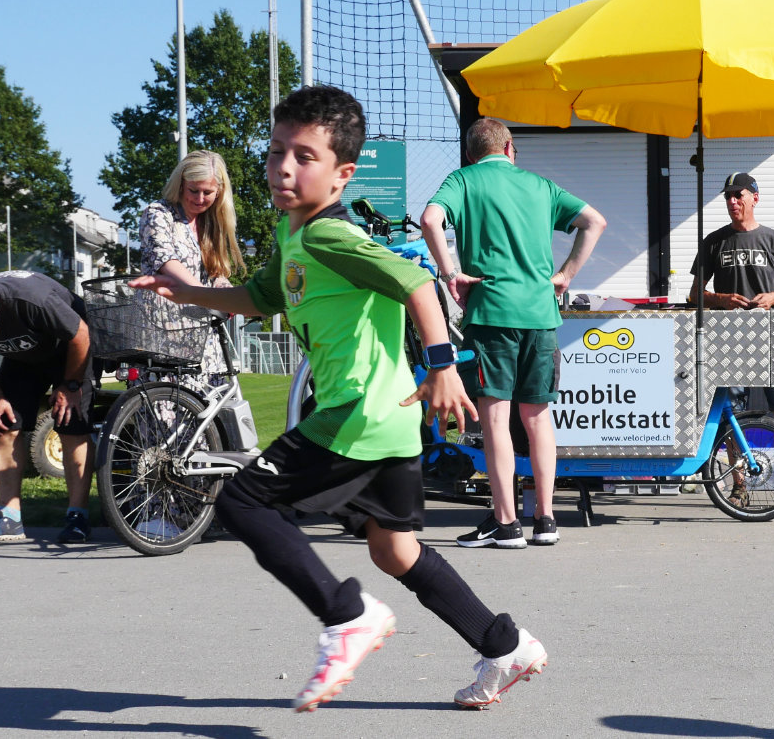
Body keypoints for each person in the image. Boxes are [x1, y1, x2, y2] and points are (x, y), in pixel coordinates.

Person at [130, 86, 546, 711]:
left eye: (304, 156)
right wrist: (188, 292)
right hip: (390, 423)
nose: (283, 168)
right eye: (276, 152)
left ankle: (345, 616)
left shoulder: (330, 237)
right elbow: (259, 297)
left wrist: (442, 366)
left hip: (358, 412)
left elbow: (418, 284)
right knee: (394, 549)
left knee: (244, 501)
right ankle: (503, 644)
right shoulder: (293, 233)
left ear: (343, 173)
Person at [421, 117, 606, 549]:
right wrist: (564, 276)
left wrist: (452, 274)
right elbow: (595, 221)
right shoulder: (540, 186)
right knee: (539, 419)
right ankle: (546, 520)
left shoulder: (463, 180)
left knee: (497, 421)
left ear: (471, 154)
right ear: (509, 149)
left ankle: (506, 524)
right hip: (541, 317)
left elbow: (431, 220)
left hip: (491, 315)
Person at [0, 271, 99, 542]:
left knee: (71, 423)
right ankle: (9, 519)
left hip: (70, 349)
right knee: (3, 423)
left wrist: (70, 386)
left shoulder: (31, 299)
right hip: (22, 357)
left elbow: (81, 335)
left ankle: (77, 517)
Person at [687, 171, 774, 508]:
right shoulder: (714, 241)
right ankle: (738, 485)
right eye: (728, 196)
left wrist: (773, 297)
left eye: (738, 195)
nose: (732, 202)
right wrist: (722, 299)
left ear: (754, 198)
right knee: (733, 416)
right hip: (731, 342)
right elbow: (693, 295)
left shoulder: (773, 239)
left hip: (773, 339)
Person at [138, 149, 243, 386]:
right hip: (163, 336)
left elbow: (217, 274)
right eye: (193, 190)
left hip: (203, 340)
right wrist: (207, 296)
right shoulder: (158, 214)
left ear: (219, 192)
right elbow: (165, 260)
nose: (199, 198)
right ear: (181, 184)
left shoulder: (211, 224)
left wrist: (229, 294)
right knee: (164, 415)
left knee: (208, 414)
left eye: (208, 192)